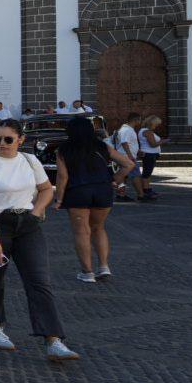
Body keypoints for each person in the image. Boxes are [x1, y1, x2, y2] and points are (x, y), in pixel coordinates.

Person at [0, 119, 77, 360]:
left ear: (21, 140)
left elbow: (46, 189)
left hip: (27, 225)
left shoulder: (30, 160)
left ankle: (53, 339)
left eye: (8, 139)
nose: (2, 144)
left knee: (39, 281)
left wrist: (36, 212)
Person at [53, 115, 133, 282]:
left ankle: (87, 272)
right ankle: (104, 266)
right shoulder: (102, 146)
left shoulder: (64, 149)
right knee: (98, 228)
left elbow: (62, 176)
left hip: (78, 191)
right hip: (102, 189)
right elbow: (128, 164)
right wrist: (115, 180)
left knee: (82, 231)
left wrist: (59, 199)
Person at [114, 113, 143, 201]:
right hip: (127, 157)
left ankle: (121, 194)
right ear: (135, 120)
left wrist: (137, 151)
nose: (140, 122)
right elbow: (124, 142)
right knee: (136, 175)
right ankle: (141, 195)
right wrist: (130, 156)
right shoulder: (127, 130)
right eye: (140, 120)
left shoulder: (126, 129)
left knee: (123, 176)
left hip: (125, 156)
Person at [136, 115, 164, 201]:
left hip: (149, 154)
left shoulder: (143, 130)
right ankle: (146, 190)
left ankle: (147, 189)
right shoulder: (148, 132)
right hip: (149, 154)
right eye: (156, 124)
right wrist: (162, 141)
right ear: (152, 123)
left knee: (147, 172)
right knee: (147, 173)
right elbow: (153, 144)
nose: (157, 126)